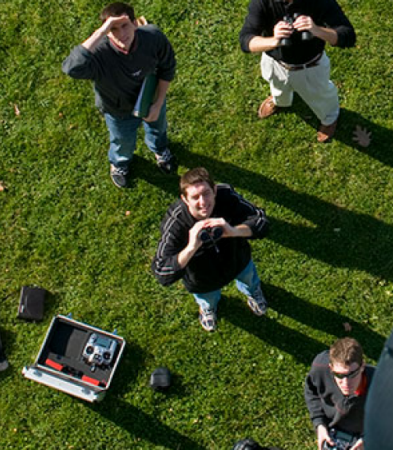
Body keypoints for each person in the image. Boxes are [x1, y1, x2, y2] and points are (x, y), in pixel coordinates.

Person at [62, 2, 177, 188]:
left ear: (134, 23)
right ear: (106, 32)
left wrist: (158, 102)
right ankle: (120, 163)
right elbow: (71, 68)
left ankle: (160, 149)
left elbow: (167, 67)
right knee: (122, 141)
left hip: (151, 97)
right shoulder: (99, 55)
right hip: (118, 109)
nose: (121, 34)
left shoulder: (152, 37)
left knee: (158, 127)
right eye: (113, 29)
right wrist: (100, 32)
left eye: (124, 25)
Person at [152, 167, 270, 331]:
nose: (203, 202)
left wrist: (234, 231)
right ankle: (208, 308)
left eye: (206, 193)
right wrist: (191, 247)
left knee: (249, 279)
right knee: (208, 298)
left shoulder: (225, 195)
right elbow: (161, 272)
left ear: (214, 190)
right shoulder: (176, 222)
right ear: (185, 200)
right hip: (203, 279)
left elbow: (261, 221)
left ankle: (252, 292)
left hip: (238, 260)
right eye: (194, 197)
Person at [239, 0, 356, 143]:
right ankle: (280, 102)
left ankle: (329, 118)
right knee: (277, 87)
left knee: (322, 96)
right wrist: (275, 41)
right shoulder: (262, 2)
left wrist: (316, 30)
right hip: (275, 63)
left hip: (310, 67)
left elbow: (348, 36)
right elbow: (246, 40)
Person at [304, 338, 374, 450]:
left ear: (362, 366)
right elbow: (311, 391)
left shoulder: (379, 385)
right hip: (332, 428)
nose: (346, 383)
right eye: (339, 375)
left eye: (352, 375)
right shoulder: (320, 368)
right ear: (331, 368)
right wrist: (320, 424)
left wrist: (369, 439)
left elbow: (392, 418)